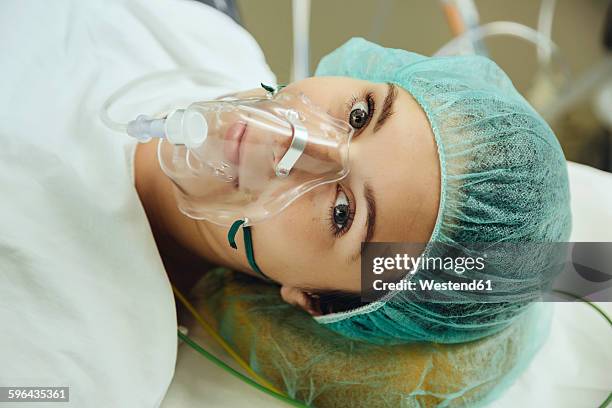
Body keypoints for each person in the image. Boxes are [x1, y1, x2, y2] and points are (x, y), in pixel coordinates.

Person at [135, 37, 572, 345]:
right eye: (361, 115)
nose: (297, 143)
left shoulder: (96, 354)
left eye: (343, 212)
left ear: (315, 299)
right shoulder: (199, 29)